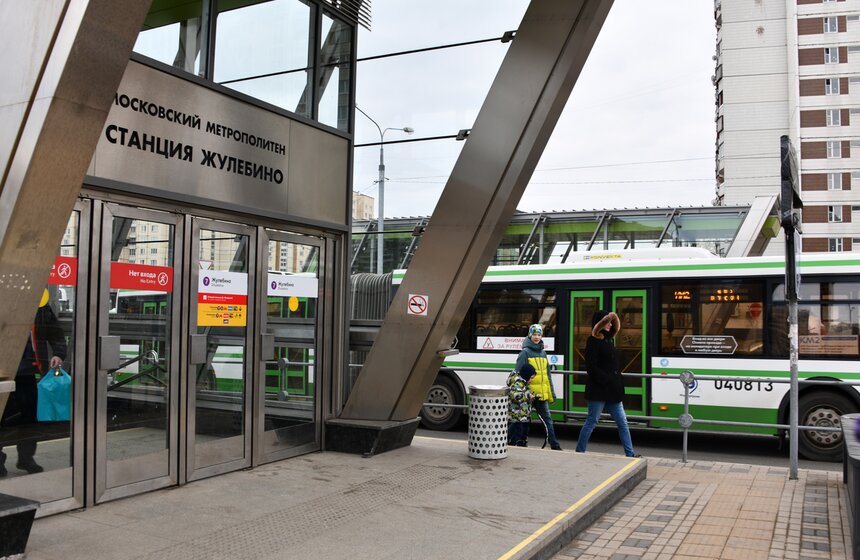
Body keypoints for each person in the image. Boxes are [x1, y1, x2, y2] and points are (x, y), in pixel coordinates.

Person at [0, 290, 67, 476]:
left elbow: (55, 332)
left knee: (30, 418)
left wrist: (58, 353)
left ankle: (26, 458)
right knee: (1, 418)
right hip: (3, 371)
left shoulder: (40, 303)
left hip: (28, 371)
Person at [575, 310, 636, 457]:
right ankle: (579, 451)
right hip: (598, 389)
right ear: (599, 323)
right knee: (592, 421)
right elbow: (590, 366)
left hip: (613, 390)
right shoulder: (593, 340)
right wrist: (606, 379)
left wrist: (616, 380)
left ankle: (630, 455)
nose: (609, 325)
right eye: (606, 322)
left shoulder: (609, 339)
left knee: (623, 422)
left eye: (610, 322)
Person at [515, 323, 562, 450]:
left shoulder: (543, 353)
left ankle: (554, 444)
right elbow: (518, 375)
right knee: (524, 419)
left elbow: (547, 375)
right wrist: (525, 392)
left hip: (541, 394)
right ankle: (521, 441)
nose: (537, 337)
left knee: (548, 420)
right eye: (534, 334)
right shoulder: (524, 353)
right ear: (530, 335)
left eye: (539, 334)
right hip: (528, 394)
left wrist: (551, 392)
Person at [507, 363, 535, 447]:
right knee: (517, 431)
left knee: (524, 430)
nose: (532, 380)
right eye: (531, 378)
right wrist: (528, 396)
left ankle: (522, 443)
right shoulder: (517, 383)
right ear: (526, 376)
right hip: (517, 415)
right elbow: (515, 395)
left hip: (523, 414)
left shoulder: (524, 383)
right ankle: (513, 444)